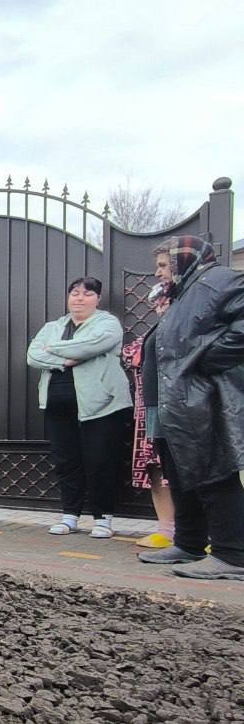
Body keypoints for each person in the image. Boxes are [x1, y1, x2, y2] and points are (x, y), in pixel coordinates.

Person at [137, 236, 244, 580]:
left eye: (164, 265)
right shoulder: (186, 291)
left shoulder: (219, 280)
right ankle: (189, 543)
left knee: (214, 471)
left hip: (202, 398)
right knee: (181, 474)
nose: (159, 273)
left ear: (186, 260)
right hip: (174, 401)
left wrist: (207, 361)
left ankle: (233, 554)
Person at [27, 277, 132, 538]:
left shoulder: (107, 323)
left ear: (97, 298)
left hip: (102, 406)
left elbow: (94, 345)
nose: (79, 298)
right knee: (66, 462)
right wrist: (66, 359)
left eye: (87, 294)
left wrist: (52, 350)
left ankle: (103, 518)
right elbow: (32, 355)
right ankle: (70, 515)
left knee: (100, 461)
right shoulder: (53, 326)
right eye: (74, 293)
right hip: (58, 404)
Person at [121, 287, 175, 548]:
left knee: (183, 471)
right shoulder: (150, 335)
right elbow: (131, 354)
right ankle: (166, 529)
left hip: (183, 414)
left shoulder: (191, 331)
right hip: (148, 413)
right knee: (156, 469)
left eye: (168, 301)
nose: (162, 306)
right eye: (159, 302)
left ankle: (203, 533)